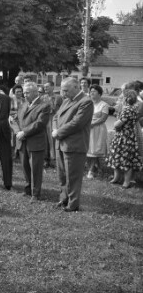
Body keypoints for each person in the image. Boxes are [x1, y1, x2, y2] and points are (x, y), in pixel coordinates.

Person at [52, 77, 94, 212]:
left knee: (73, 177)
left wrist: (58, 132)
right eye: (62, 90)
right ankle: (64, 198)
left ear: (76, 88)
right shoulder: (66, 100)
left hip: (74, 145)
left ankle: (73, 204)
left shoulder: (86, 102)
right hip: (61, 143)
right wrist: (54, 129)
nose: (63, 94)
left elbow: (77, 123)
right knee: (62, 175)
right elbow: (55, 117)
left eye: (66, 90)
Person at [14, 82, 49, 201]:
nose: (25, 95)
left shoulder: (44, 106)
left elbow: (39, 124)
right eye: (23, 93)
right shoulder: (23, 105)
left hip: (35, 142)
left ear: (35, 92)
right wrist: (15, 127)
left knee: (35, 169)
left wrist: (24, 132)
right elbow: (18, 119)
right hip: (23, 142)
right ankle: (28, 190)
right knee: (25, 167)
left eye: (27, 93)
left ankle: (36, 193)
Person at [106, 89, 143, 188]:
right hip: (125, 136)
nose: (120, 98)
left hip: (124, 137)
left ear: (126, 98)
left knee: (126, 159)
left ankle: (126, 182)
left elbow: (118, 124)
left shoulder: (127, 109)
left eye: (122, 97)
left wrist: (115, 123)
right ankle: (116, 178)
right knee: (118, 157)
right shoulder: (133, 108)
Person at [86, 84, 109, 179]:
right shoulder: (88, 103)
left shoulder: (104, 105)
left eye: (93, 92)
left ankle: (91, 170)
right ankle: (96, 168)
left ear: (99, 93)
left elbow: (103, 118)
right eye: (90, 92)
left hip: (98, 129)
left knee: (95, 150)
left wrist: (92, 124)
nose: (91, 93)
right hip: (87, 128)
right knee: (87, 149)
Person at [43, 81, 63, 168]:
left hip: (54, 120)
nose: (45, 88)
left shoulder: (58, 97)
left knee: (53, 139)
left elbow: (60, 109)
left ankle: (54, 159)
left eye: (47, 86)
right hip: (45, 120)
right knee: (45, 140)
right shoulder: (42, 97)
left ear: (52, 87)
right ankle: (45, 159)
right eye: (44, 87)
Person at [9, 84, 25, 159]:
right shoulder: (10, 99)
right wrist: (16, 114)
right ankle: (13, 153)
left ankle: (18, 151)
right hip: (12, 120)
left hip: (21, 120)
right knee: (13, 136)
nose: (19, 93)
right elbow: (7, 111)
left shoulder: (24, 100)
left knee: (20, 135)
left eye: (20, 91)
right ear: (14, 92)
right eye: (17, 92)